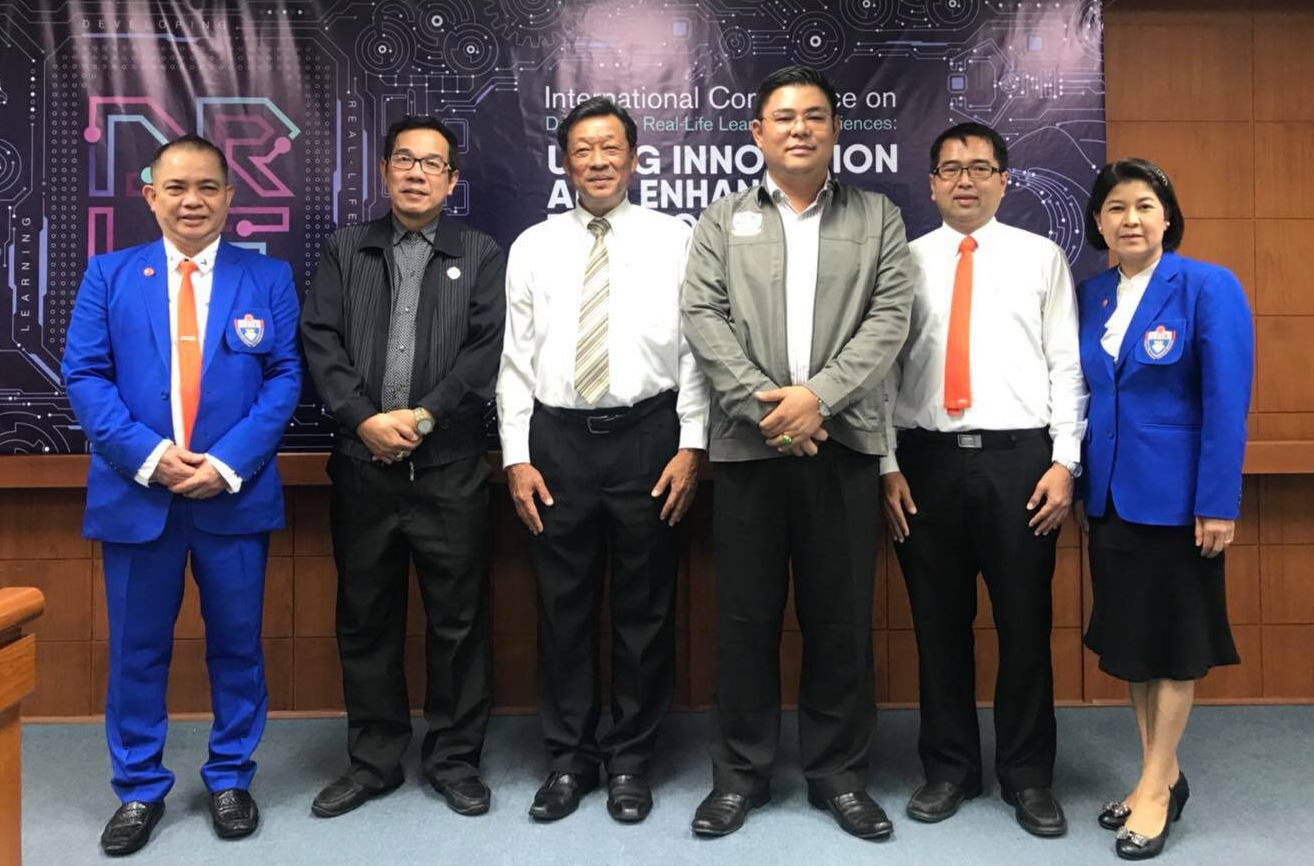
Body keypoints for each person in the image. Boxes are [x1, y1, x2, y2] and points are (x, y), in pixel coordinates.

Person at [680, 64, 912, 841]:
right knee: (744, 620)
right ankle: (738, 775)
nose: (800, 129)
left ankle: (839, 775)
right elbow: (703, 318)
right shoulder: (721, 221)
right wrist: (769, 409)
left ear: (836, 129)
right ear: (758, 133)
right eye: (784, 117)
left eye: (814, 116)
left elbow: (889, 319)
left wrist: (819, 400)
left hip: (841, 448)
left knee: (840, 621)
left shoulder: (877, 217)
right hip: (749, 452)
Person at [63, 135, 302, 855]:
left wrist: (226, 464)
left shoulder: (268, 278)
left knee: (237, 648)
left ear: (230, 196)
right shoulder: (109, 275)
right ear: (150, 195)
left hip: (232, 497)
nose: (191, 201)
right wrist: (152, 458)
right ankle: (138, 788)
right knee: (136, 653)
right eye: (176, 187)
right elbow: (85, 376)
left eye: (206, 187)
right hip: (138, 499)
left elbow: (285, 376)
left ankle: (230, 777)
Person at [498, 96, 708, 824]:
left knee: (645, 608)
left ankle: (630, 761)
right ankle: (568, 759)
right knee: (562, 608)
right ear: (565, 163)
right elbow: (514, 360)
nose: (598, 161)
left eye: (610, 147)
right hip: (557, 441)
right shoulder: (533, 245)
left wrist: (691, 444)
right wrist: (516, 457)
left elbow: (697, 350)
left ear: (634, 158)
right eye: (583, 149)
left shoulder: (675, 238)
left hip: (648, 435)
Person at [880, 123, 1087, 839]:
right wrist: (886, 464)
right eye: (951, 168)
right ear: (932, 183)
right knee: (937, 625)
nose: (965, 180)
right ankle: (949, 769)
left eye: (980, 167)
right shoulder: (903, 263)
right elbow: (884, 373)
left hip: (1020, 462)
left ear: (1003, 179)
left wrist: (1064, 461)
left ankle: (1028, 776)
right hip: (925, 462)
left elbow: (1066, 363)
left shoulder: (1041, 257)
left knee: (1025, 623)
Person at [300, 114, 505, 820]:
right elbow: (320, 340)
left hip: (450, 468)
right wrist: (363, 418)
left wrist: (421, 419)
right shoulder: (345, 248)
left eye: (433, 163)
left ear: (452, 180)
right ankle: (374, 759)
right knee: (365, 618)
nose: (418, 173)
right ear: (385, 170)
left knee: (459, 621)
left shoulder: (480, 253)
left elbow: (485, 351)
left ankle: (454, 759)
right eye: (405, 160)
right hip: (362, 466)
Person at [1076, 158, 1252, 860]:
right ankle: (1160, 775)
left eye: (1145, 206)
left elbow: (1226, 401)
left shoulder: (1207, 285)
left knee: (1174, 648)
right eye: (1116, 208)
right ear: (1098, 222)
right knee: (1135, 647)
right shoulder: (1092, 295)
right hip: (1110, 497)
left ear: (1168, 217)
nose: (1131, 220)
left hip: (1179, 504)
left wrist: (1217, 501)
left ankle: (1154, 790)